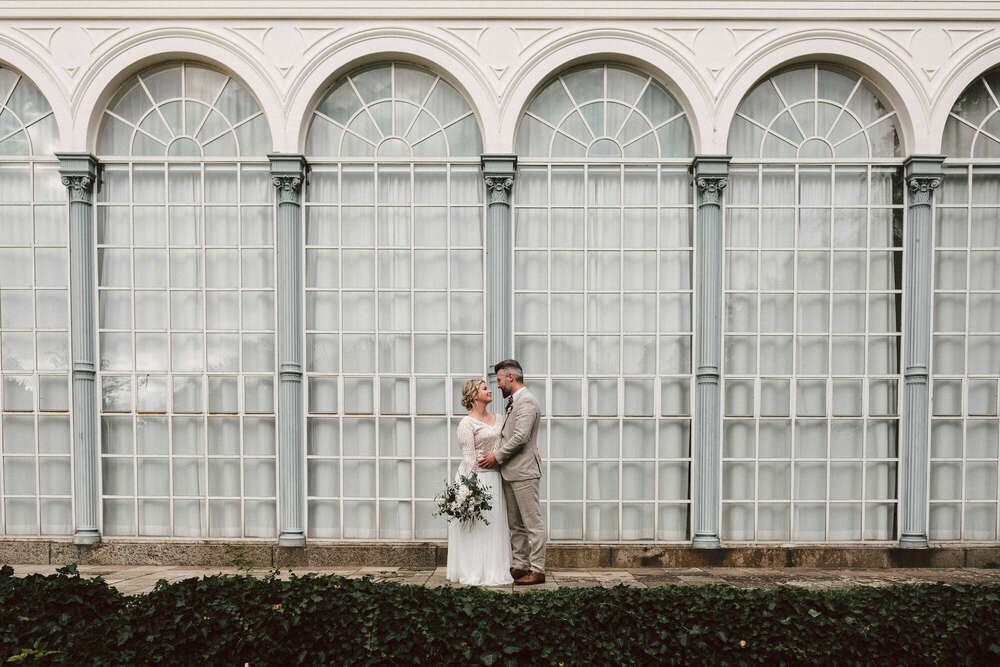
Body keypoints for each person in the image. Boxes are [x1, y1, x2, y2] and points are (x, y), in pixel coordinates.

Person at [477, 359, 546, 585]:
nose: (497, 385)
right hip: (511, 471)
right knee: (515, 524)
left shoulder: (527, 401)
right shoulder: (513, 402)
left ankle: (537, 570)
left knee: (532, 524)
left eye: (498, 380)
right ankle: (520, 565)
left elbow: (520, 437)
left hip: (524, 472)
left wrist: (496, 457)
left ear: (510, 378)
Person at [445, 379, 514, 586]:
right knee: (474, 527)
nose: (490, 390)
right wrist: (470, 489)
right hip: (475, 478)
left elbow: (513, 440)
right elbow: (468, 457)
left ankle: (493, 569)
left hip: (494, 477)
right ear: (475, 395)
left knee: (493, 527)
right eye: (485, 388)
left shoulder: (500, 418)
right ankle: (472, 570)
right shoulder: (467, 424)